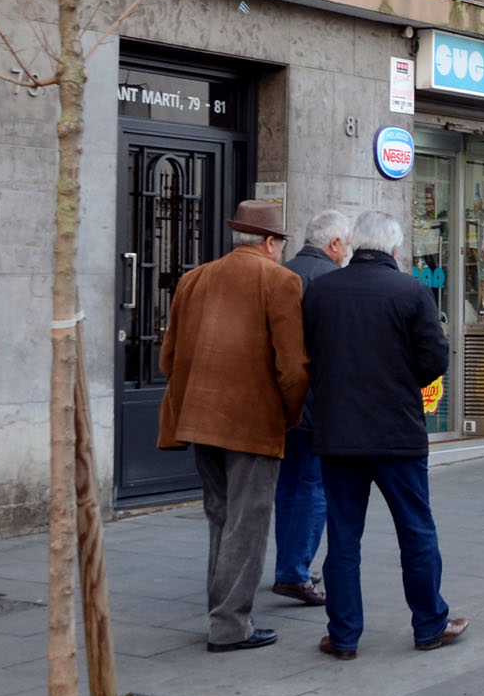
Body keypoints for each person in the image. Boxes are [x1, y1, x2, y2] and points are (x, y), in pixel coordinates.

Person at [304, 209, 465, 659]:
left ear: (354, 245)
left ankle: (344, 635)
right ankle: (430, 624)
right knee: (415, 531)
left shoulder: (321, 291)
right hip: (398, 434)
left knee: (343, 538)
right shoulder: (411, 290)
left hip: (338, 435)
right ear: (393, 249)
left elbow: (309, 352)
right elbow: (435, 359)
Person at [156, 200, 310, 653]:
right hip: (252, 421)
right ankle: (229, 625)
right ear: (269, 242)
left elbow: (168, 357)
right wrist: (290, 414)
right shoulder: (280, 281)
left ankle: (220, 613)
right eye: (280, 242)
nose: (281, 251)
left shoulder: (194, 278)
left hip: (198, 417)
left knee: (220, 519)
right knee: (247, 522)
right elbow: (294, 367)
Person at [271, 209, 353, 608]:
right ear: (334, 244)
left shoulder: (282, 273)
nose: (347, 252)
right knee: (313, 485)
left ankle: (290, 563)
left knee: (288, 485)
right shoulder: (330, 281)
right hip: (316, 400)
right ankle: (294, 571)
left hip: (280, 399)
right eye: (346, 244)